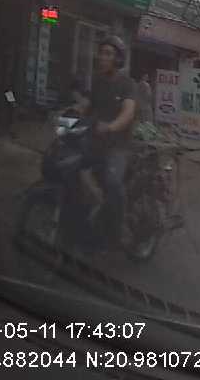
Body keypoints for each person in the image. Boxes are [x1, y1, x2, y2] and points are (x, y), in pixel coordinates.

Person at [74, 36, 137, 250]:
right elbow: (88, 107)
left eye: (108, 54)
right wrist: (72, 112)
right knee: (71, 165)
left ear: (118, 59)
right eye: (101, 53)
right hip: (96, 141)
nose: (102, 57)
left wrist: (111, 126)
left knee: (112, 181)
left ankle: (120, 229)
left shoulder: (127, 84)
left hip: (118, 146)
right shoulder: (98, 81)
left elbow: (128, 112)